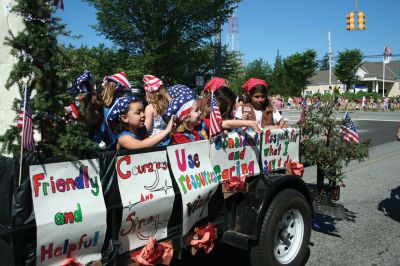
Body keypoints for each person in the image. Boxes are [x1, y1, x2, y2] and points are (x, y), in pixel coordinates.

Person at [106, 96, 174, 150]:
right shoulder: (123, 138)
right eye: (138, 113)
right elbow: (141, 145)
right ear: (125, 118)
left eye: (143, 111)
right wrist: (166, 131)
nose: (143, 115)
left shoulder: (141, 131)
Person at [101, 72, 132, 148]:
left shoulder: (100, 104)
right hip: (120, 143)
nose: (123, 94)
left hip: (106, 143)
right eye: (122, 91)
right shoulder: (121, 104)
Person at [143, 75, 172, 145]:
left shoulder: (150, 108)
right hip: (166, 139)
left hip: (154, 141)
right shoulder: (168, 105)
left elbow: (146, 128)